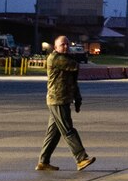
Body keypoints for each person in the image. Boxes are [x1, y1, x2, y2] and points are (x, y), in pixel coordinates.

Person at [36, 34, 96, 172]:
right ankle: (81, 158)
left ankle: (43, 162)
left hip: (63, 99)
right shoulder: (55, 58)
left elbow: (73, 82)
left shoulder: (65, 58)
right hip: (57, 100)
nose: (66, 46)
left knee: (53, 133)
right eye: (62, 44)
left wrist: (78, 98)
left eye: (67, 44)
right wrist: (80, 57)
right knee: (68, 130)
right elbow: (74, 66)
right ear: (55, 47)